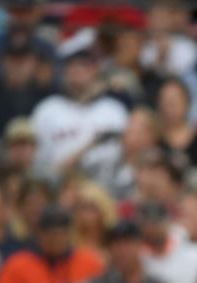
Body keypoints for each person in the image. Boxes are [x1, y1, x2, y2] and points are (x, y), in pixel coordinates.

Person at [30, 43, 128, 182]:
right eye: (71, 65)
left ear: (95, 70)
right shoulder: (48, 108)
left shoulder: (113, 109)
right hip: (58, 185)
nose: (76, 70)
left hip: (108, 185)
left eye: (83, 65)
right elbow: (37, 160)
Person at [138, 201, 197, 283]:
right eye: (147, 223)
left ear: (167, 222)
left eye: (156, 222)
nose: (152, 228)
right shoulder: (136, 257)